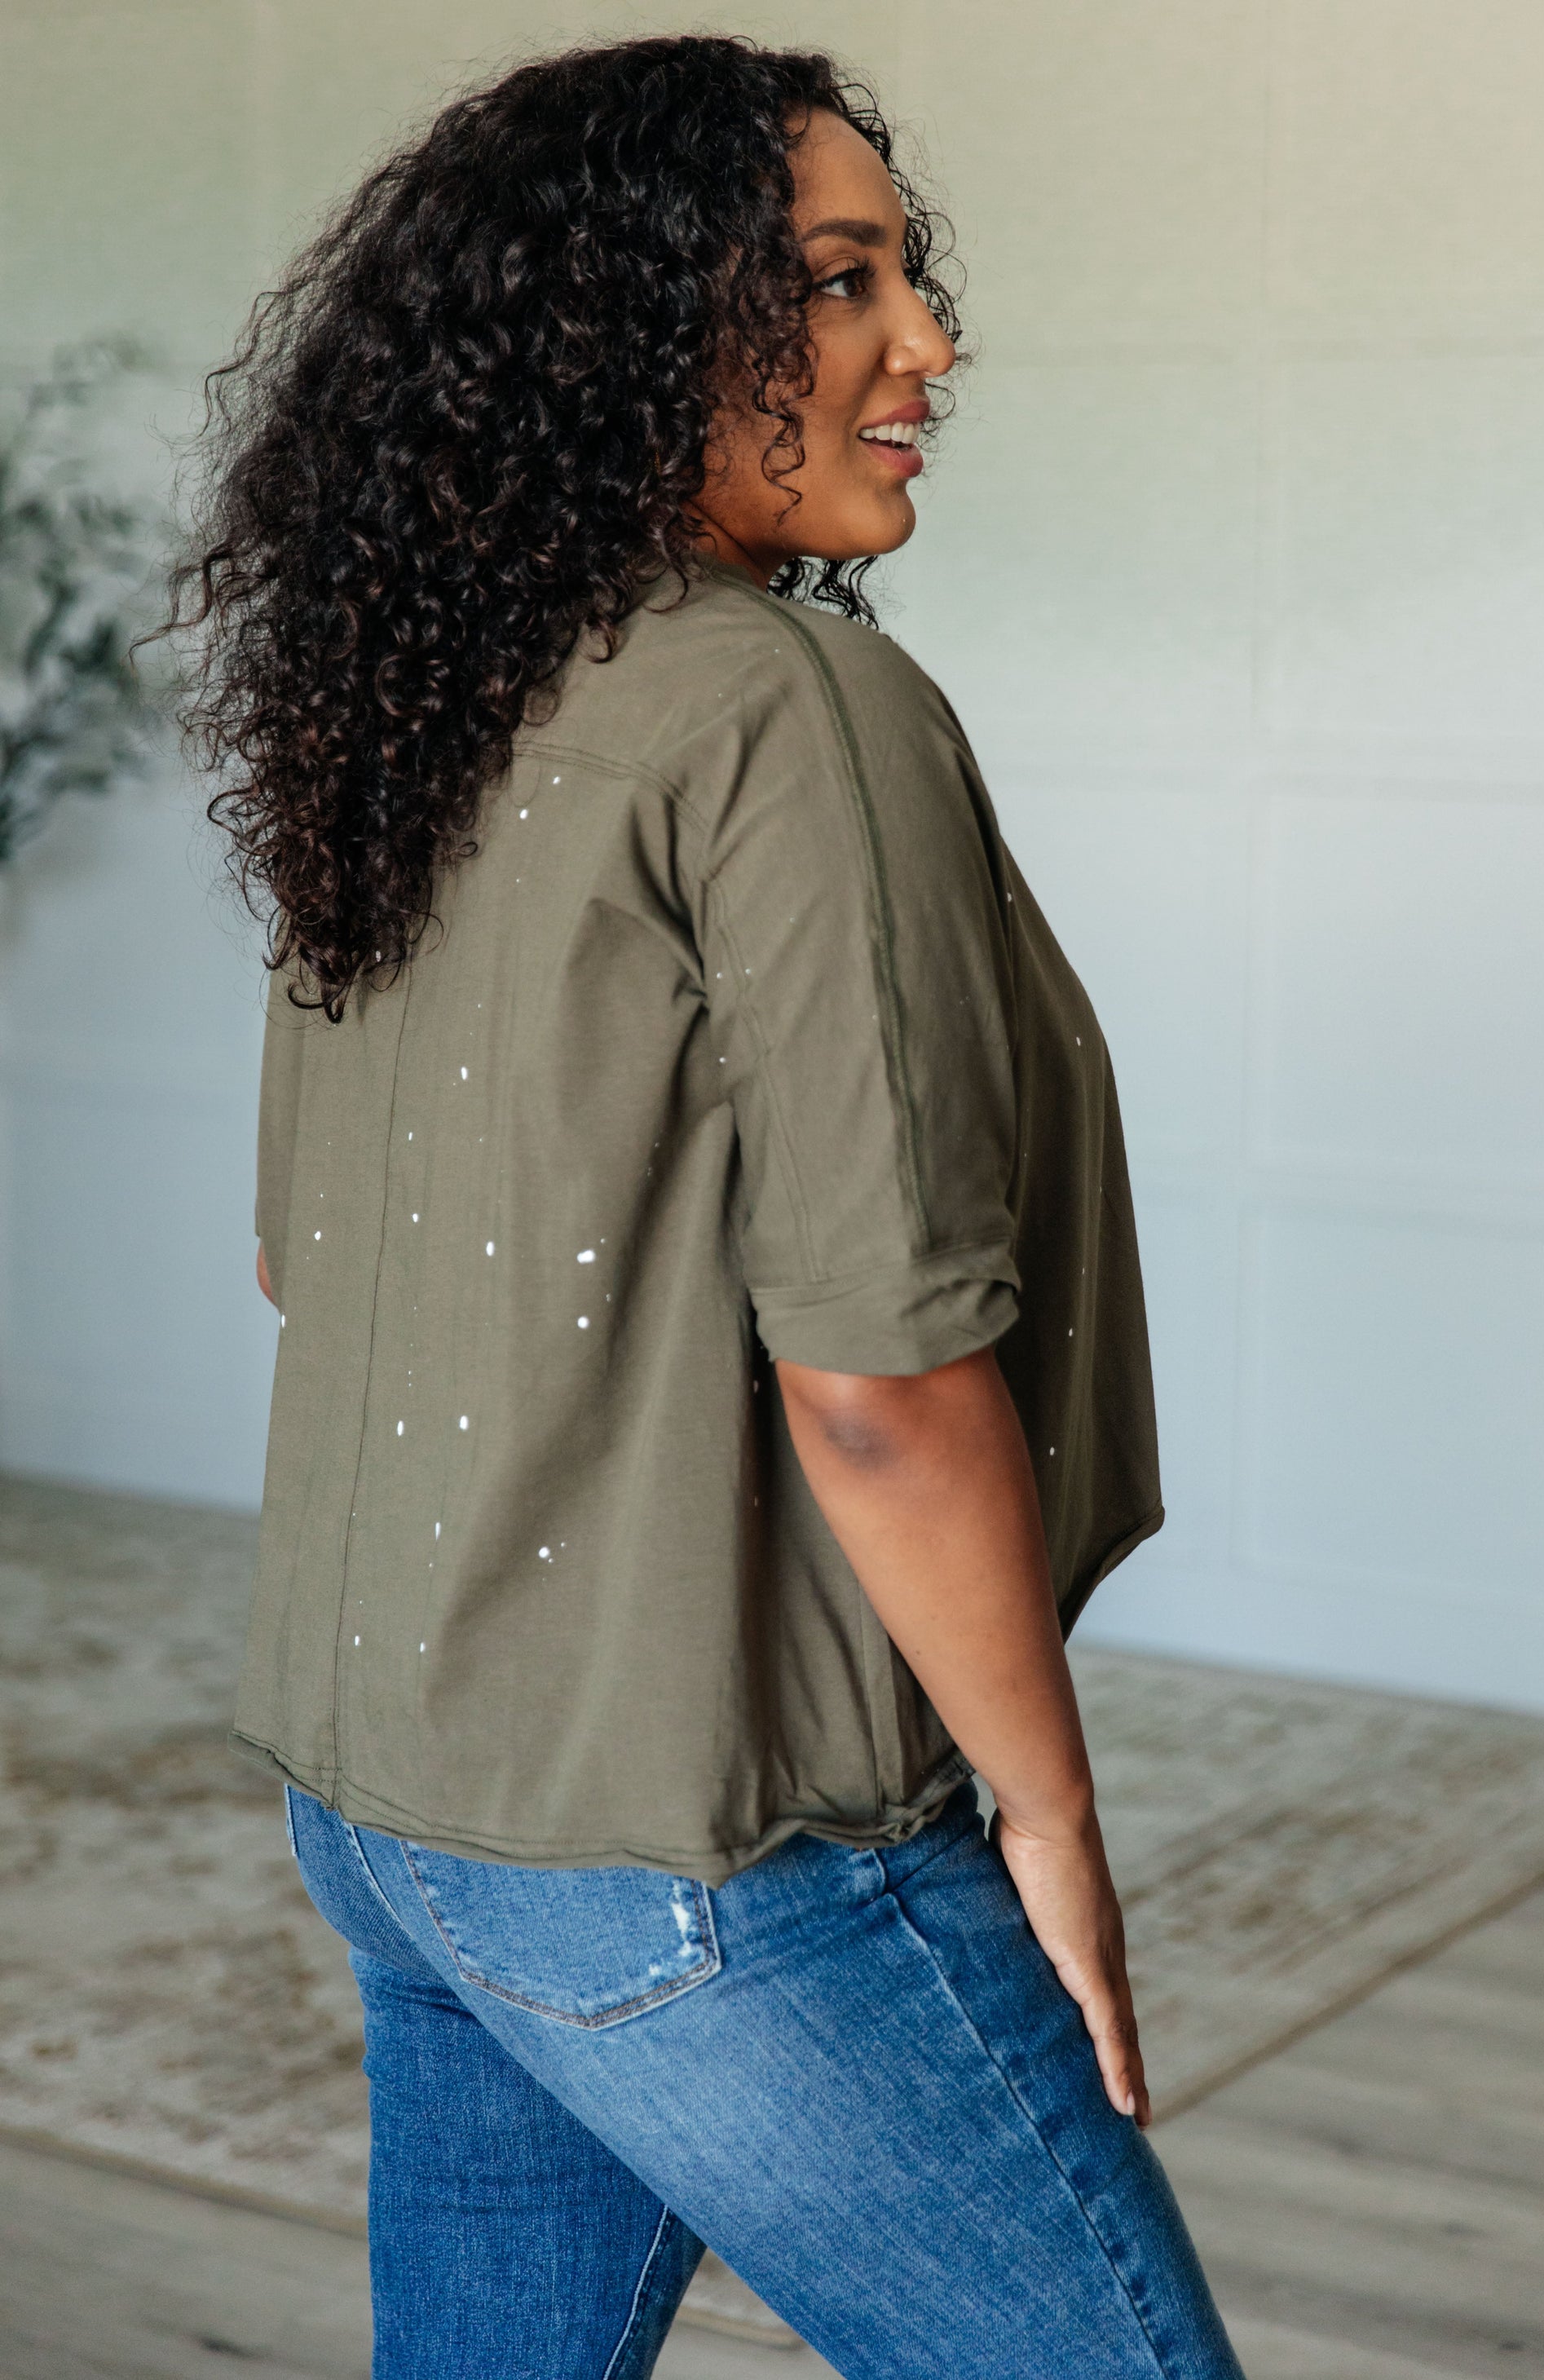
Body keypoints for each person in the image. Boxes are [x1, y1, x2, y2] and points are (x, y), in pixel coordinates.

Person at [170, 33, 1244, 2379]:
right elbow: (877, 1374)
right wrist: (1049, 1822)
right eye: (843, 281)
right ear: (632, 330)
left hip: (399, 1804)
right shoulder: (787, 711)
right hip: (713, 1860)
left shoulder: (421, 705)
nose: (927, 342)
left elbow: (297, 1257)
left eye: (906, 276)